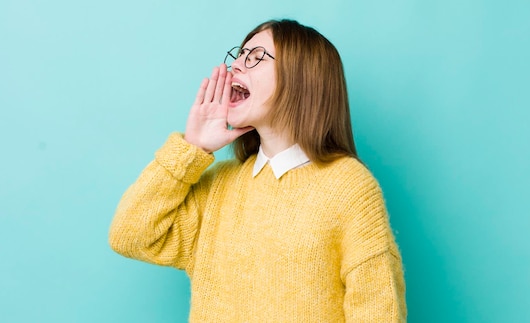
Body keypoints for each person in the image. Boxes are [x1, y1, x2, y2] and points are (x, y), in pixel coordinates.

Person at [109, 19, 407, 322]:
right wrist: (192, 148)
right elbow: (130, 235)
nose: (235, 66)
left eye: (255, 57)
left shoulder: (350, 188)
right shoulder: (218, 186)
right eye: (239, 54)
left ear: (302, 78)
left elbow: (377, 311)